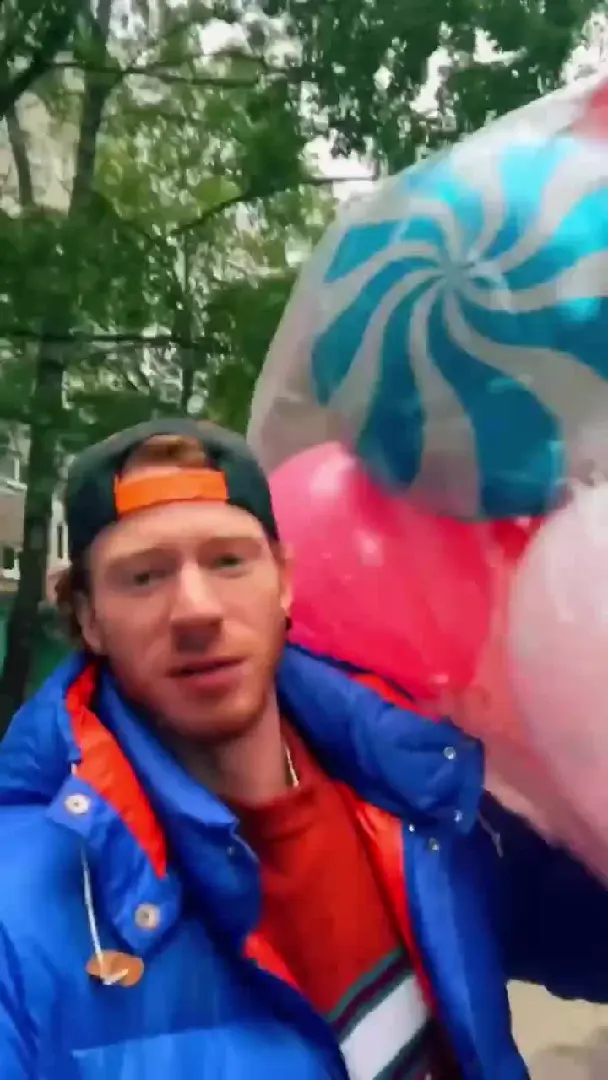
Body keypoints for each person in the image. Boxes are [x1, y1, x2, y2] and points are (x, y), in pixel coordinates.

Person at [0, 419, 608, 1080]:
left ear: (284, 581)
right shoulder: (20, 908)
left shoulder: (416, 784)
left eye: (228, 561)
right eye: (144, 577)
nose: (196, 609)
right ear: (88, 618)